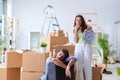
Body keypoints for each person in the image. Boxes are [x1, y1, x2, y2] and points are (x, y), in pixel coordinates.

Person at [73, 14, 94, 80]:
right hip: (79, 46)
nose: (78, 21)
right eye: (77, 20)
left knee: (87, 65)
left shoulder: (86, 27)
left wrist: (85, 26)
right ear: (75, 21)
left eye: (80, 20)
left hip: (87, 45)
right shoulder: (75, 29)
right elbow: (75, 41)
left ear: (82, 21)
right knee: (79, 66)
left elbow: (90, 28)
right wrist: (76, 30)